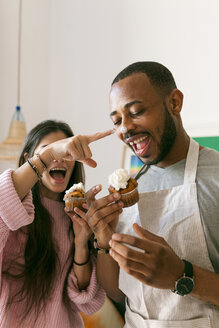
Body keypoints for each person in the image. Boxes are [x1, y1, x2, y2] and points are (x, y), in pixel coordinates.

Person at [76, 62, 219, 327]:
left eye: (137, 111)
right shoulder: (125, 191)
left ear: (174, 103)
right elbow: (117, 292)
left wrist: (182, 275)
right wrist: (105, 241)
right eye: (117, 120)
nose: (125, 128)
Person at [0, 119, 113, 327]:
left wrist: (81, 242)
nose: (60, 157)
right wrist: (48, 155)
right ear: (29, 158)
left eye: (66, 152)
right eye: (51, 150)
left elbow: (85, 302)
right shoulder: (13, 211)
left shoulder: (80, 215)